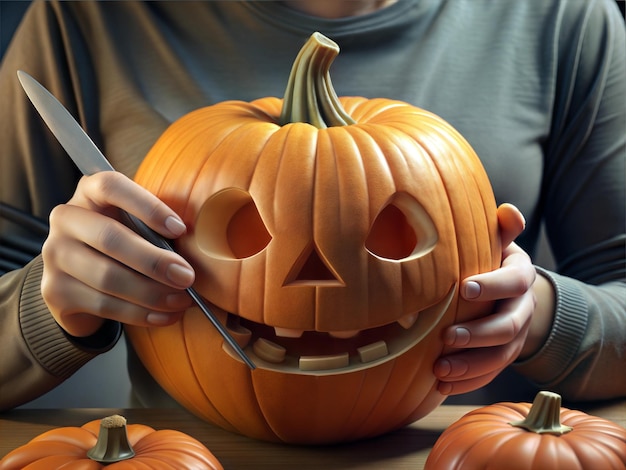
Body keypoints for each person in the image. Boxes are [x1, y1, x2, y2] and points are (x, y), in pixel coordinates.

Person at [0, 0, 624, 411]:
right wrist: (50, 301)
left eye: (392, 231)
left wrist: (541, 315)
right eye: (245, 231)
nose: (315, 276)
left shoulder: (565, 16)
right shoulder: (84, 16)